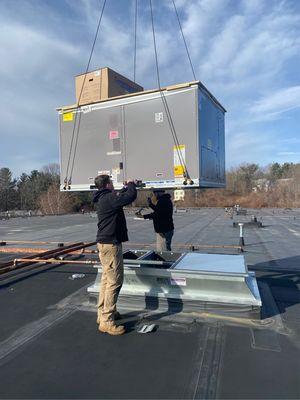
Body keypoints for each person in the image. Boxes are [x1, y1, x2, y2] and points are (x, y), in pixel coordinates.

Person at [93, 175, 137, 336]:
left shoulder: (102, 198)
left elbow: (120, 196)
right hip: (111, 244)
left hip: (104, 243)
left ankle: (103, 314)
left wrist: (125, 188)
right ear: (107, 185)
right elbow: (129, 197)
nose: (113, 185)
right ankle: (107, 321)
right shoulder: (109, 198)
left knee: (106, 279)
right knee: (115, 282)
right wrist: (131, 185)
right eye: (111, 182)